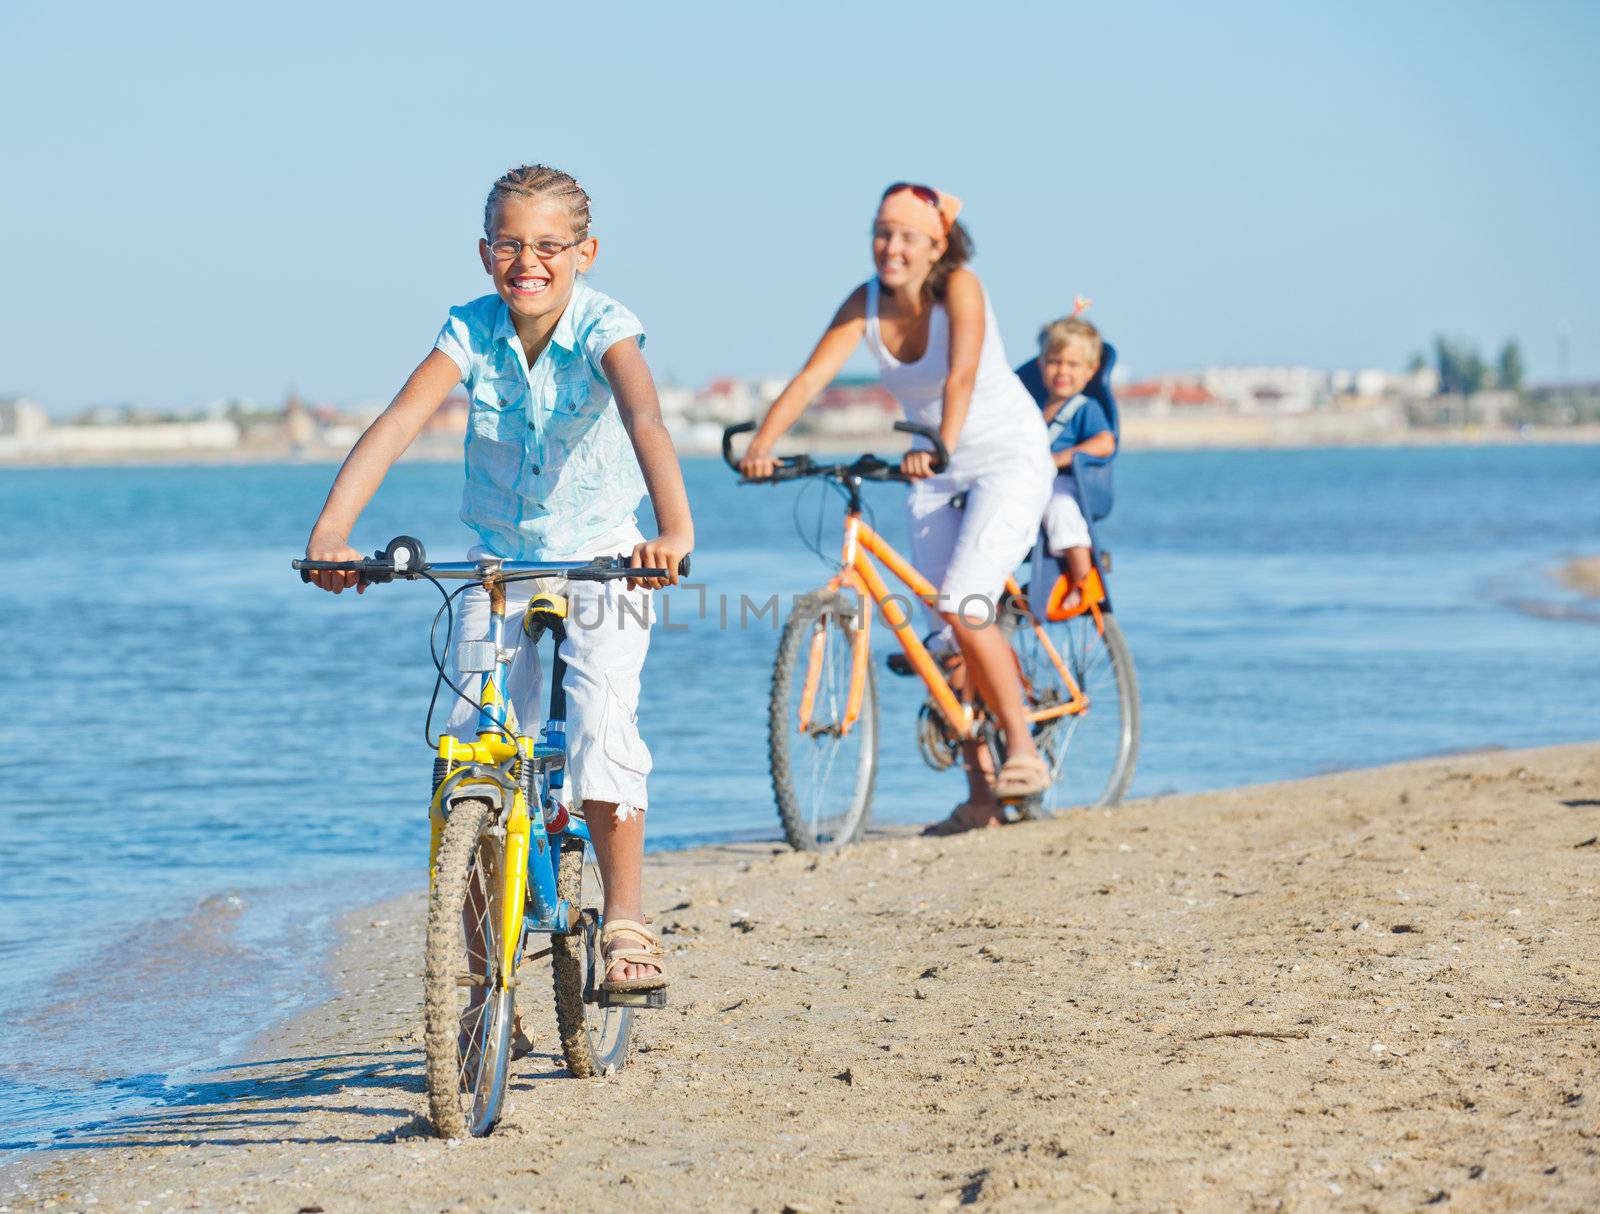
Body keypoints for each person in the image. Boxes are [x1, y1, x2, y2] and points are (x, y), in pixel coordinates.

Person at [303, 164, 693, 995]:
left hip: (604, 555)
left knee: (598, 717)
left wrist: (672, 532)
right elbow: (402, 419)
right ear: (485, 253)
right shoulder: (470, 330)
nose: (530, 261)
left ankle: (625, 919)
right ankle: (484, 976)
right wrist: (334, 532)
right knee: (469, 745)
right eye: (511, 245)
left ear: (585, 251)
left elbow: (644, 417)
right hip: (497, 560)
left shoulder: (605, 327)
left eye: (550, 246)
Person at [740, 182, 1054, 834]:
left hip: (1004, 457)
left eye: (908, 235)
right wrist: (763, 445)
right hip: (934, 468)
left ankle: (1023, 751)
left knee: (966, 601)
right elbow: (810, 378)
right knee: (939, 638)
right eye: (883, 232)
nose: (891, 246)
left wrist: (941, 440)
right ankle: (981, 796)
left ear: (937, 243)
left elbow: (960, 376)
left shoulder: (959, 287)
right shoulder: (867, 301)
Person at [1023, 316, 1115, 610]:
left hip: (1068, 484)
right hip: (1030, 483)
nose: (1062, 371)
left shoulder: (1085, 408)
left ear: (1090, 371)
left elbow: (1105, 442)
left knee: (1059, 509)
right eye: (1054, 362)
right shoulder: (1031, 408)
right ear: (1041, 365)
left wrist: (1059, 459)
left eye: (1073, 365)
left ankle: (1083, 577)